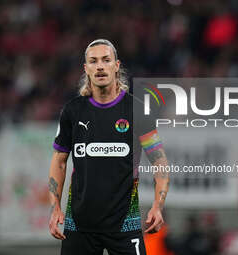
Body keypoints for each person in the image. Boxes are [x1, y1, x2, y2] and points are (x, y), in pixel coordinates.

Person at [48, 39, 169, 255]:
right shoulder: (72, 112)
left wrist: (157, 206)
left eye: (106, 60)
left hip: (125, 224)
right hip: (80, 224)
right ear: (86, 69)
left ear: (116, 65)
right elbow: (59, 160)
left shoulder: (137, 109)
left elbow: (160, 161)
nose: (100, 66)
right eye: (93, 61)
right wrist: (54, 206)